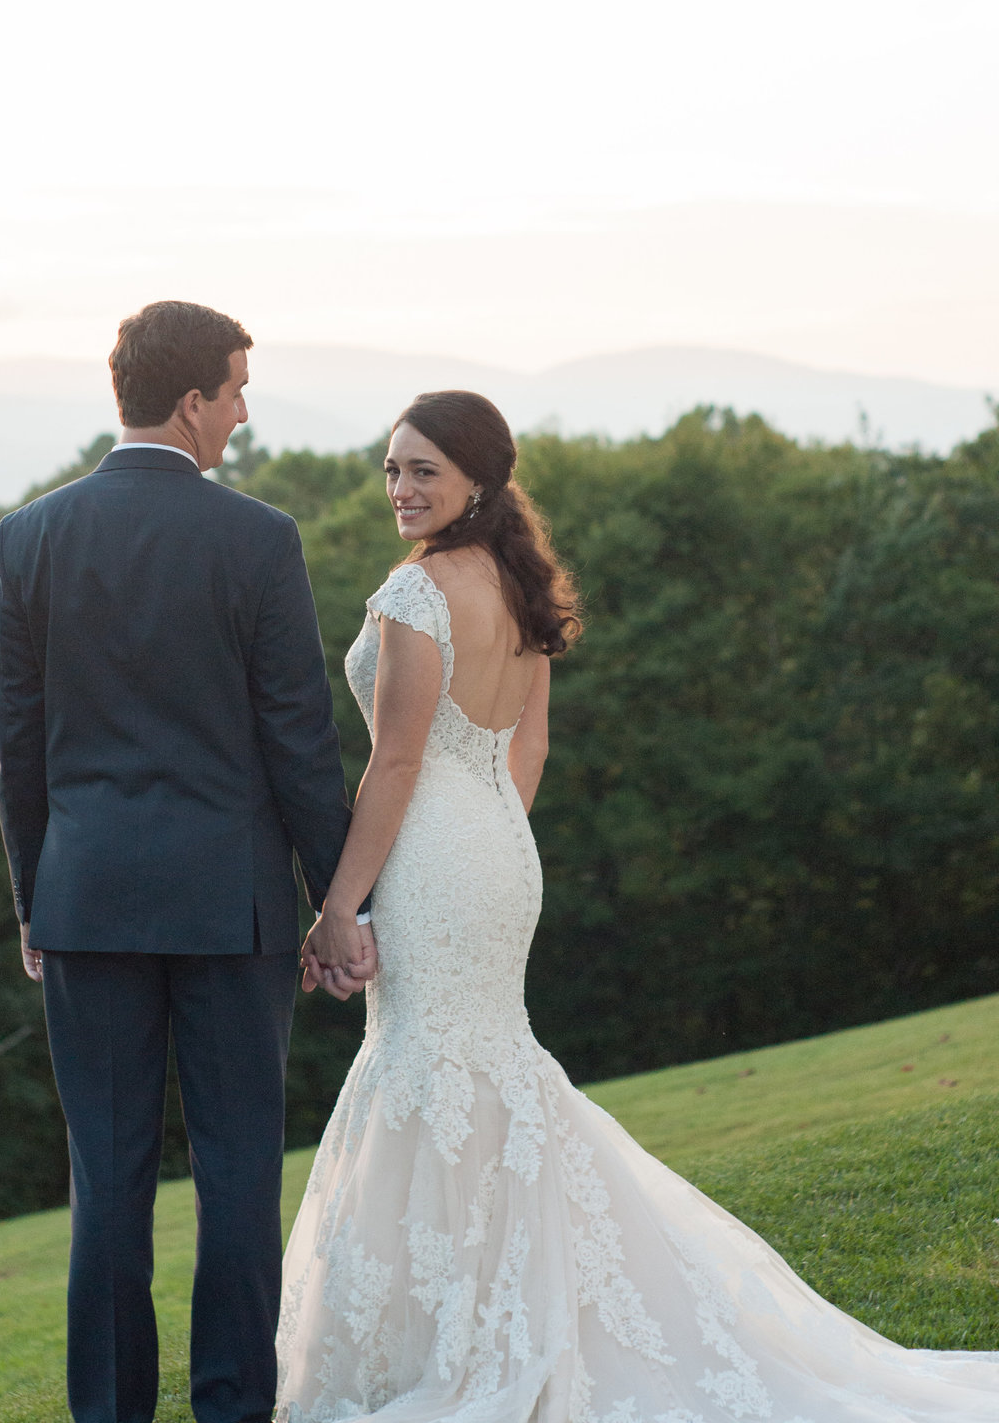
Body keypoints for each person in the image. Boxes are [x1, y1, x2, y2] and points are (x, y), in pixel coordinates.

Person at [280, 389, 999, 1423]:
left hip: (438, 851)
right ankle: (494, 1311)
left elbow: (394, 762)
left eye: (422, 469)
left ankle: (466, 1332)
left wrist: (340, 907)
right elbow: (525, 749)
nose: (400, 488)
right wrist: (492, 843)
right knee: (479, 1069)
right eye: (392, 468)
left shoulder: (417, 595)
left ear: (476, 478)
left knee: (430, 1067)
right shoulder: (518, 586)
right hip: (495, 849)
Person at [0, 299, 375, 1423]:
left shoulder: (31, 536)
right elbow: (299, 744)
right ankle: (232, 1409)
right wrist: (341, 902)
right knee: (239, 1172)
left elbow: (20, 749)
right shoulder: (257, 538)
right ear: (192, 400)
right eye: (238, 391)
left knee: (107, 1180)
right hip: (230, 907)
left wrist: (32, 898)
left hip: (86, 899)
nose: (245, 415)